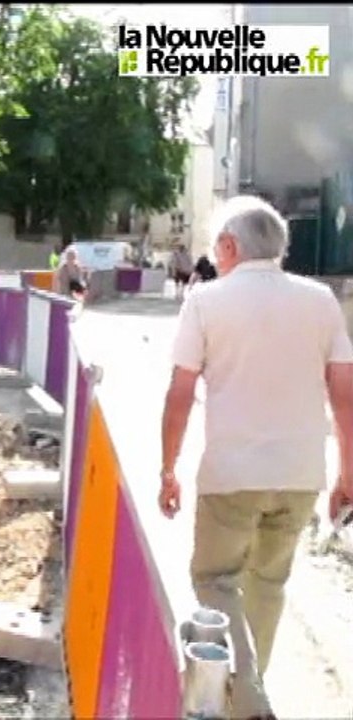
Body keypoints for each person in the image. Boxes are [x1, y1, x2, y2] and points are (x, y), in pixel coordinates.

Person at [159, 195, 353, 720]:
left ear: (229, 246)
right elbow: (344, 394)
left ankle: (246, 702)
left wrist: (168, 468)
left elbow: (180, 393)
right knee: (267, 584)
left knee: (215, 579)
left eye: (216, 250)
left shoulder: (206, 301)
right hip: (300, 477)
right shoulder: (321, 301)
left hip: (232, 476)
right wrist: (347, 475)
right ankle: (251, 690)